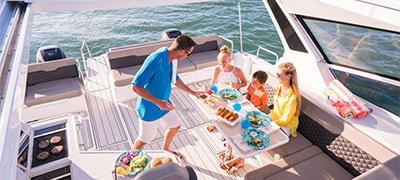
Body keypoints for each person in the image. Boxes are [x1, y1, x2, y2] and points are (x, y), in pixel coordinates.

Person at [131, 35, 202, 158]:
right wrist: (158, 102)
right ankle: (131, 159)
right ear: (181, 51)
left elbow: (175, 78)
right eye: (188, 54)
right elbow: (136, 87)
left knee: (175, 127)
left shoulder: (172, 59)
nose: (187, 57)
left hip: (165, 104)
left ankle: (165, 148)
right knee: (143, 141)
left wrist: (193, 92)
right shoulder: (155, 60)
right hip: (150, 109)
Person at [218, 71, 269, 174]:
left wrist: (252, 109)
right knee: (235, 125)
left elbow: (263, 107)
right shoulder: (251, 86)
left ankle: (239, 159)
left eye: (255, 83)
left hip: (256, 116)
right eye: (253, 81)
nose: (253, 84)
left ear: (262, 84)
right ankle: (231, 153)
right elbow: (249, 96)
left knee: (245, 134)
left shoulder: (264, 93)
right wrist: (246, 103)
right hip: (248, 111)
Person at [206, 45, 247, 132]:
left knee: (232, 111)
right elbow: (212, 83)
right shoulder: (217, 69)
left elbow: (245, 83)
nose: (221, 63)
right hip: (221, 94)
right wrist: (207, 86)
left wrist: (236, 86)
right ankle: (216, 122)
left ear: (229, 60)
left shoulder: (237, 71)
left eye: (224, 61)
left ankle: (226, 129)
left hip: (233, 96)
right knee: (215, 106)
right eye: (220, 61)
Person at [270, 62, 301, 137]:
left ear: (288, 76)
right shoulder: (280, 86)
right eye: (276, 73)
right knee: (257, 123)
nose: (276, 76)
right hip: (275, 116)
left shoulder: (292, 98)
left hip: (286, 125)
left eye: (279, 75)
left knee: (269, 135)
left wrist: (270, 125)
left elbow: (285, 120)